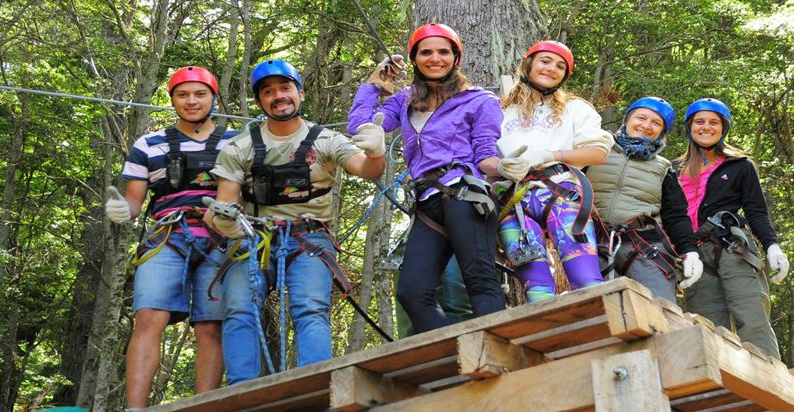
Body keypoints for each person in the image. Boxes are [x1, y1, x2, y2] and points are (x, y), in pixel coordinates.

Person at [203, 59, 385, 384]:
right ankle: (242, 391)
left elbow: (367, 170)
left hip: (309, 238)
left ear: (300, 93)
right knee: (239, 308)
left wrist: (376, 154)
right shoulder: (239, 146)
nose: (278, 96)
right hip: (253, 237)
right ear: (260, 102)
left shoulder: (325, 140)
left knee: (310, 307)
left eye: (285, 88)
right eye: (268, 92)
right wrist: (224, 220)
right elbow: (226, 202)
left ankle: (315, 387)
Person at [348, 23, 506, 333]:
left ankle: (495, 347)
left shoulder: (479, 100)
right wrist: (374, 86)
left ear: (455, 57)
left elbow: (485, 155)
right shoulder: (405, 100)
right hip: (426, 202)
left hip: (465, 193)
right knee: (412, 292)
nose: (435, 58)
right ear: (415, 59)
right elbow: (361, 126)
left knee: (479, 279)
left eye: (443, 52)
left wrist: (506, 167)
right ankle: (452, 352)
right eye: (426, 52)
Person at [104, 66, 237, 410]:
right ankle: (136, 407)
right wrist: (123, 210)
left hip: (219, 237)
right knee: (149, 316)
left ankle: (205, 404)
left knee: (211, 324)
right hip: (167, 234)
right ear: (173, 100)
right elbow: (134, 200)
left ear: (213, 98)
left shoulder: (237, 141)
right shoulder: (148, 144)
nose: (191, 101)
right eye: (183, 95)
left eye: (199, 94)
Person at [495, 40, 613, 303]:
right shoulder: (500, 111)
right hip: (513, 203)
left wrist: (550, 155)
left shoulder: (575, 109)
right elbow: (484, 154)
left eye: (560, 66)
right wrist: (500, 169)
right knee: (536, 289)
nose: (551, 69)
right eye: (545, 61)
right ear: (529, 64)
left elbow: (598, 152)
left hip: (561, 195)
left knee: (586, 280)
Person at [675, 98, 789, 359]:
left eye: (713, 122)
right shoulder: (673, 170)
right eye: (699, 122)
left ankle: (768, 388)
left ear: (723, 128)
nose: (706, 127)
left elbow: (756, 211)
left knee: (752, 315)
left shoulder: (739, 165)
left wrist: (772, 247)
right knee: (708, 326)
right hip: (692, 253)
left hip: (731, 245)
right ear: (689, 127)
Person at [586, 97, 703, 302]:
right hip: (592, 240)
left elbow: (676, 216)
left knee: (661, 309)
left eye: (656, 123)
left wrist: (690, 251)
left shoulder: (664, 169)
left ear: (661, 132)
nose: (646, 126)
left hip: (642, 245)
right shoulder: (595, 150)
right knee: (594, 311)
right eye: (641, 118)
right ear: (628, 119)